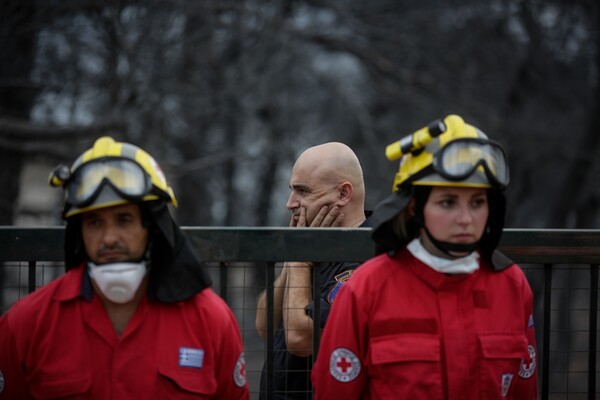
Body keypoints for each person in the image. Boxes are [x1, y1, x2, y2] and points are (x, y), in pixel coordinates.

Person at [0, 136, 249, 399]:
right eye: (94, 222)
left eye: (124, 220)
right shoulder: (26, 324)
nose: (109, 238)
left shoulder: (210, 321)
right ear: (79, 232)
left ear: (153, 227)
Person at [312, 115, 538, 399]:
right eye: (447, 202)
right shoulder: (367, 288)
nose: (466, 219)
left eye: (478, 202)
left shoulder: (512, 285)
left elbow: (524, 391)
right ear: (412, 208)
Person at [255, 142, 370, 399]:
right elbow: (264, 325)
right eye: (291, 190)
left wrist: (299, 260)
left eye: (302, 191)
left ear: (343, 194)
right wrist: (293, 257)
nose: (290, 203)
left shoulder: (368, 259)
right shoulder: (309, 247)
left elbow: (300, 340)